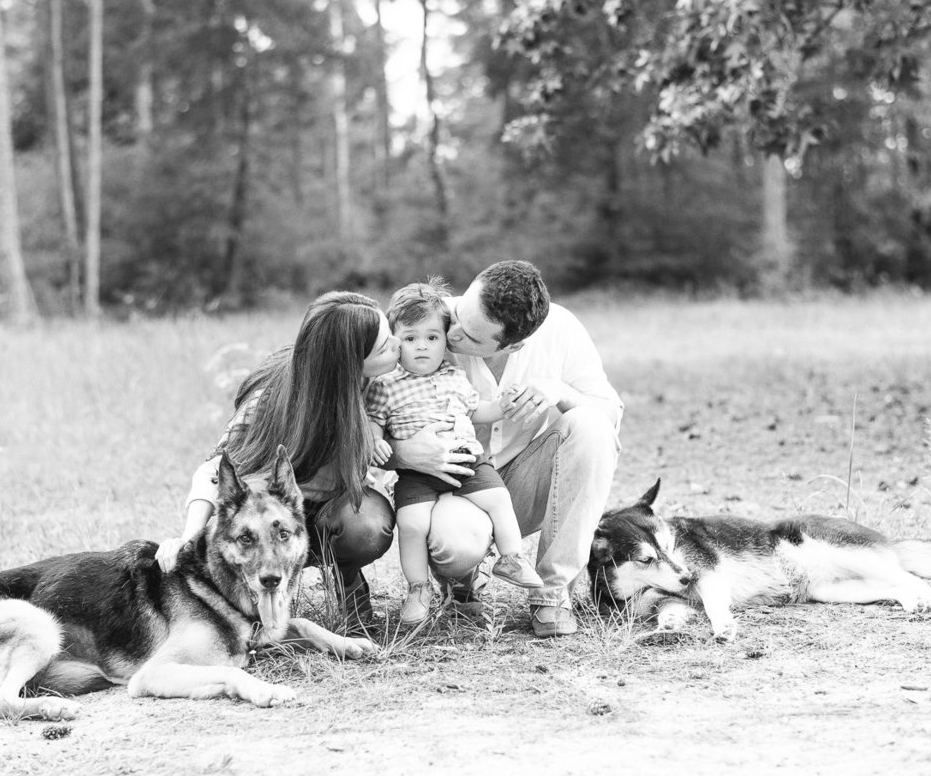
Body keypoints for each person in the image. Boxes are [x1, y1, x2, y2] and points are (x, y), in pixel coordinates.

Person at [387, 261, 623, 638]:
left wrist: (561, 393)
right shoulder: (426, 323)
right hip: (450, 485)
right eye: (460, 315)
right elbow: (369, 403)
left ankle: (552, 592)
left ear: (513, 345)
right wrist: (403, 453)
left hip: (525, 481)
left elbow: (610, 413)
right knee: (455, 546)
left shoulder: (561, 330)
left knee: (591, 424)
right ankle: (460, 578)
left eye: (473, 337)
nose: (454, 333)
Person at [155, 291, 400, 631]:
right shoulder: (273, 397)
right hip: (272, 516)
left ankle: (346, 579)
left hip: (334, 509)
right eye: (386, 345)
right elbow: (214, 468)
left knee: (367, 526)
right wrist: (190, 536)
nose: (399, 345)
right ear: (350, 362)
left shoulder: (381, 386)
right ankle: (245, 600)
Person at [366, 279, 542, 625]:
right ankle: (418, 588)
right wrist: (374, 440)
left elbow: (478, 411)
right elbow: (374, 422)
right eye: (410, 338)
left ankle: (511, 557)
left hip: (466, 460)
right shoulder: (385, 387)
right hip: (416, 473)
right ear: (393, 339)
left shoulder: (455, 376)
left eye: (432, 338)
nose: (421, 347)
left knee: (498, 499)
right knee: (411, 523)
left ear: (445, 339)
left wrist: (503, 406)